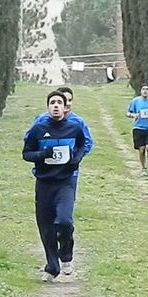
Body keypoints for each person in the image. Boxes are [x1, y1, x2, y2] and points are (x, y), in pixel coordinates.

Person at [23, 91, 86, 282]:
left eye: (60, 102)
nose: (56, 106)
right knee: (46, 227)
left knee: (64, 221)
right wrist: (43, 154)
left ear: (66, 107)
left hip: (65, 182)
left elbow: (82, 146)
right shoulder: (38, 129)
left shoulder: (74, 128)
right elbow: (26, 154)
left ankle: (66, 256)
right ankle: (52, 268)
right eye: (52, 103)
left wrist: (76, 158)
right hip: (44, 183)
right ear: (48, 107)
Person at [26, 86, 93, 194]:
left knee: (65, 203)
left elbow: (86, 143)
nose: (68, 103)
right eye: (65, 100)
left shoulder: (77, 122)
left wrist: (74, 157)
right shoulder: (41, 121)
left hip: (69, 172)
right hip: (46, 173)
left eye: (70, 100)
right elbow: (29, 141)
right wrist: (43, 154)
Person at [126, 84, 148, 176]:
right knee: (141, 149)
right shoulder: (135, 101)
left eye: (147, 89)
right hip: (138, 127)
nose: (145, 91)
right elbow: (128, 112)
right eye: (143, 89)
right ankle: (143, 168)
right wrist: (133, 115)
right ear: (140, 91)